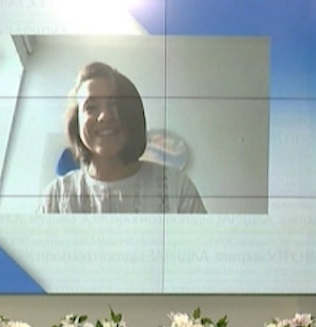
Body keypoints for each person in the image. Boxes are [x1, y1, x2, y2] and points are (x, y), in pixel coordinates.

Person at [41, 61, 206, 214]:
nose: (105, 116)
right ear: (76, 122)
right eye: (91, 107)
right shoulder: (57, 197)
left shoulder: (177, 188)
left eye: (114, 104)